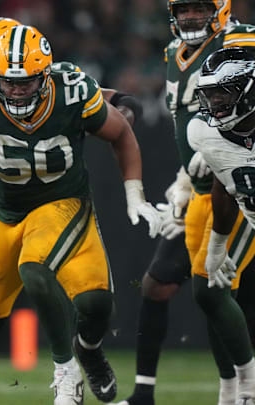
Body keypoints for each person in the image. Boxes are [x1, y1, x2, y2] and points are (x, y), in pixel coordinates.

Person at [0, 24, 161, 405]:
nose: (13, 88)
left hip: (60, 201)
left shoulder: (69, 87)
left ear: (43, 71)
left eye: (25, 79)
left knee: (61, 283)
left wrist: (133, 186)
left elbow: (122, 115)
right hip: (3, 210)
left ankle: (69, 366)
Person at [115, 2, 255, 405]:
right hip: (200, 188)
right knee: (199, 289)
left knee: (213, 289)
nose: (191, 17)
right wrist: (183, 181)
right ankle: (228, 390)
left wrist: (221, 145)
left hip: (236, 179)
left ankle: (242, 388)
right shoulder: (173, 53)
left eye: (199, 8)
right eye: (185, 9)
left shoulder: (238, 38)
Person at [182, 46, 255, 404]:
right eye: (209, 93)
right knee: (209, 290)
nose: (215, 102)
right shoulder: (203, 132)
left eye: (223, 92)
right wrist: (216, 246)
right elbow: (225, 185)